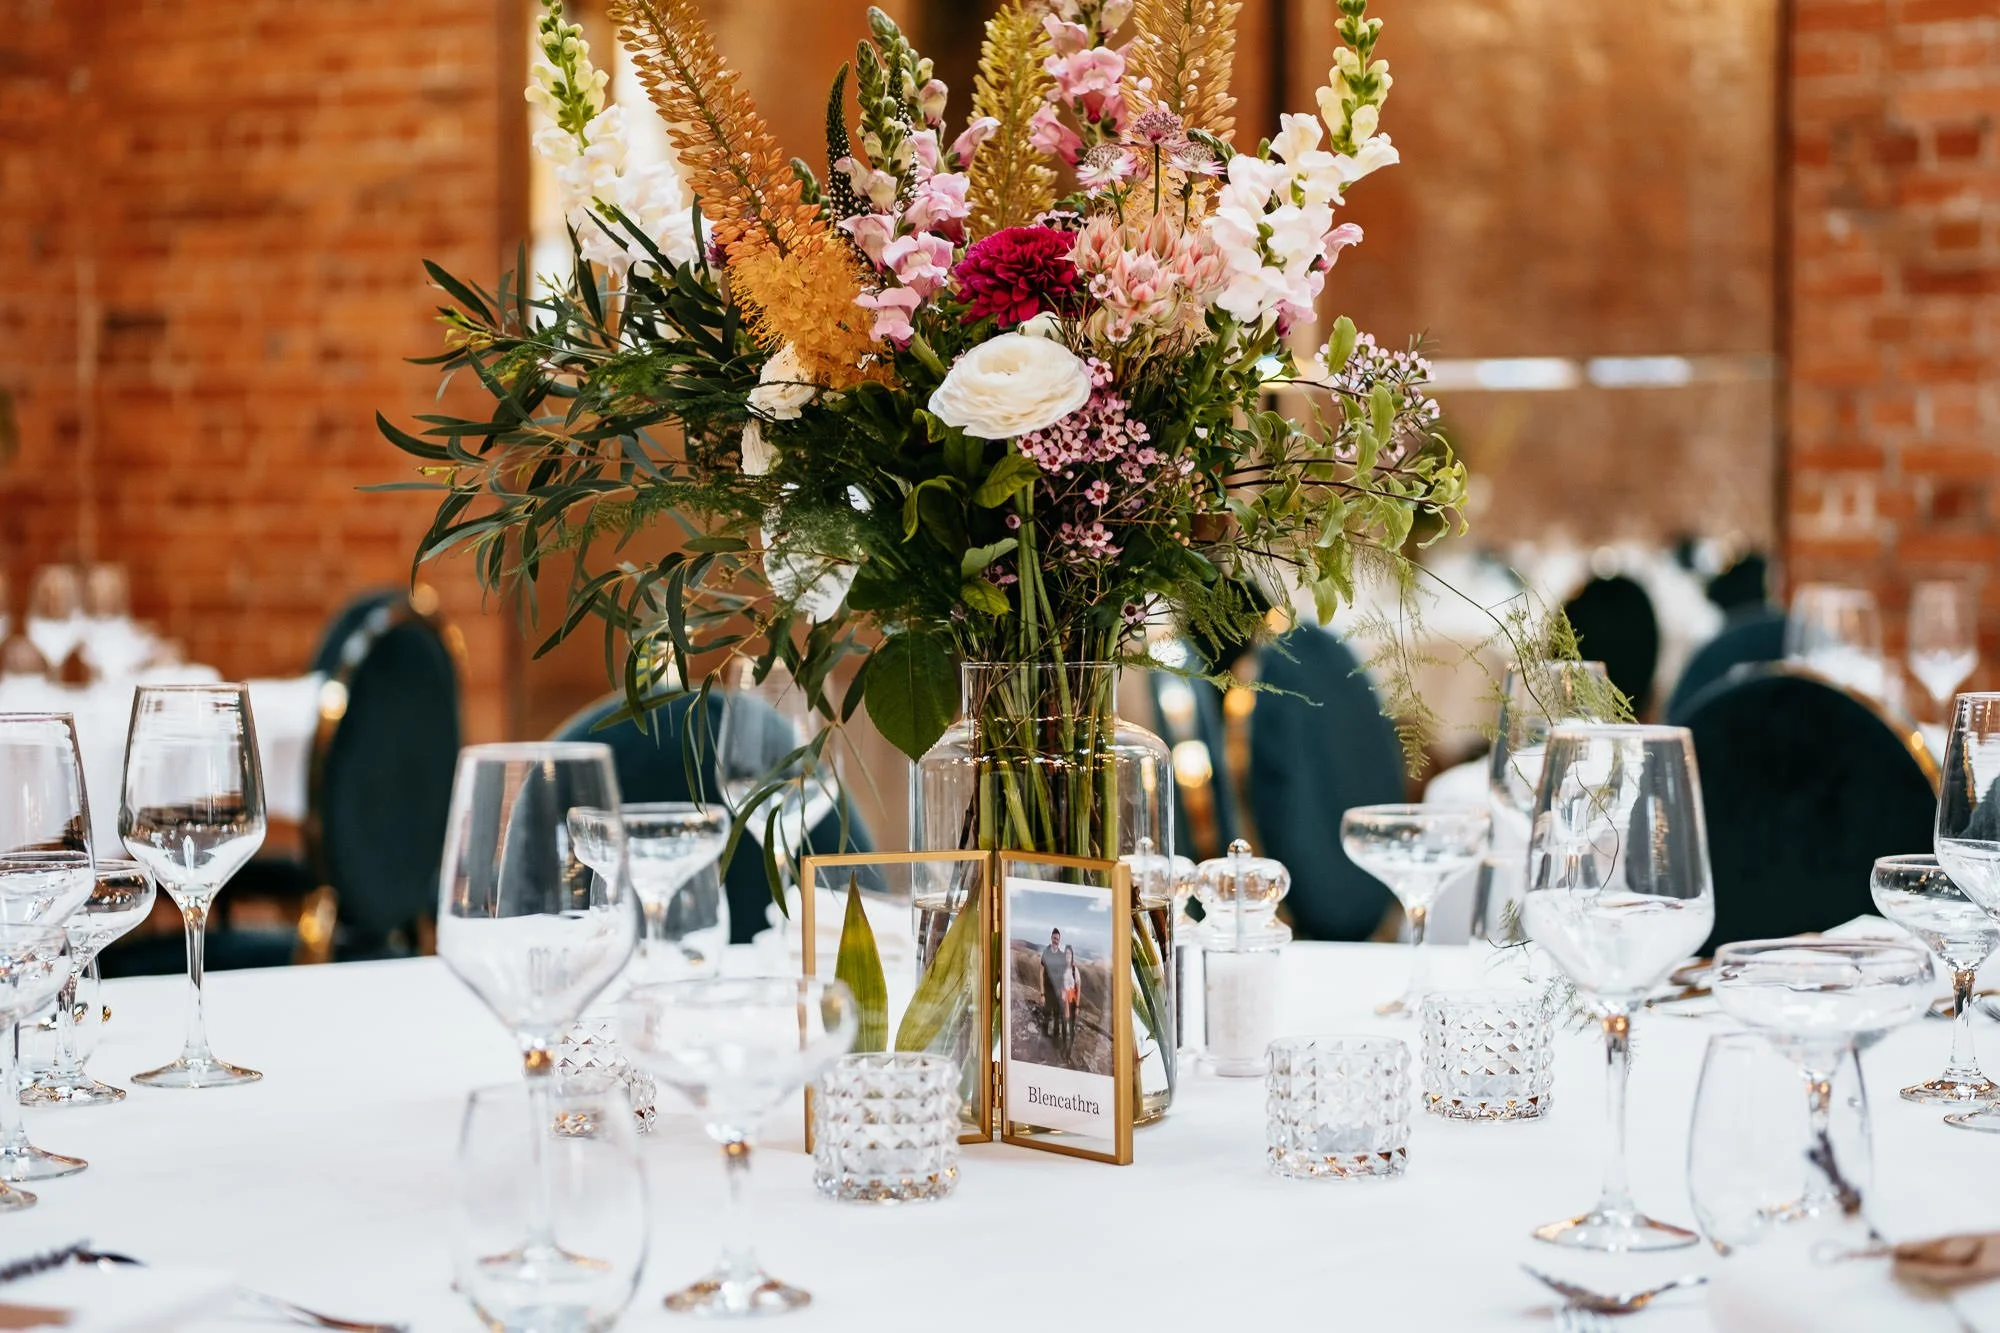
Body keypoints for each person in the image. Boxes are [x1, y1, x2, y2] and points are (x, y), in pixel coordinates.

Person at [1039, 928, 1070, 1043]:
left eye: (1057, 939)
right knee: (1046, 1016)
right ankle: (1044, 1041)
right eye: (1054, 938)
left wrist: (1063, 991)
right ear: (1051, 938)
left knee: (1057, 1017)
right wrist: (1042, 993)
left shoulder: (1062, 956)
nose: (1055, 940)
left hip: (1058, 993)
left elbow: (1064, 976)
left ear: (1059, 940)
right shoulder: (1045, 953)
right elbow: (1041, 973)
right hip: (1047, 992)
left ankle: (1056, 1041)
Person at [1060, 943, 1080, 1061]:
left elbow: (1079, 987)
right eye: (1066, 953)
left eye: (1070, 953)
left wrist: (1077, 1006)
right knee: (1063, 1026)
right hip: (1063, 1001)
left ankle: (1068, 1052)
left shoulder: (1074, 970)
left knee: (1071, 1028)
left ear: (1072, 956)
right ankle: (1063, 1048)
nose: (1068, 955)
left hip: (1072, 1001)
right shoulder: (1062, 970)